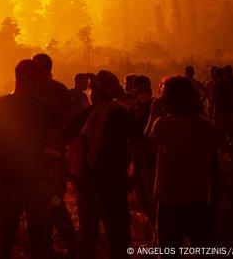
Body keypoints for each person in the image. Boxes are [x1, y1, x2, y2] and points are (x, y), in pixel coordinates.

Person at [62, 70, 140, 259]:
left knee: (88, 237)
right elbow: (140, 145)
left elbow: (60, 141)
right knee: (118, 239)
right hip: (114, 184)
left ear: (96, 91)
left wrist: (69, 174)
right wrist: (134, 176)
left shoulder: (85, 116)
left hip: (88, 184)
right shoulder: (121, 114)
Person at [0, 59, 57, 259]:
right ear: (34, 81)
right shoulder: (45, 109)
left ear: (17, 77)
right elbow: (53, 146)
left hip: (7, 180)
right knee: (40, 240)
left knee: (5, 239)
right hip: (39, 181)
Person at [150, 76, 216, 253]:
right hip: (199, 198)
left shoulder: (163, 124)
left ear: (171, 97)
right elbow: (213, 166)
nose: (160, 97)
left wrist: (152, 113)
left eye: (163, 93)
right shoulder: (206, 125)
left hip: (170, 200)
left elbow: (145, 148)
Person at [32, 53, 76, 258]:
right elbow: (69, 121)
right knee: (55, 195)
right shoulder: (60, 89)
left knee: (39, 197)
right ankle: (68, 243)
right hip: (56, 151)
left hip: (35, 152)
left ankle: (45, 241)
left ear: (40, 68)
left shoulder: (32, 89)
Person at [129, 75, 157, 228]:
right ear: (134, 92)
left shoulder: (159, 108)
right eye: (141, 90)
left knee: (155, 203)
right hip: (138, 163)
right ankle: (155, 233)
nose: (145, 93)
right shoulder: (131, 110)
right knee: (143, 203)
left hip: (154, 163)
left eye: (147, 89)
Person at [212, 66, 233, 167]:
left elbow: (215, 99)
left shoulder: (217, 84)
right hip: (231, 112)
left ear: (216, 75)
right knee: (232, 136)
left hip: (220, 113)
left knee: (216, 136)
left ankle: (218, 160)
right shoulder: (231, 84)